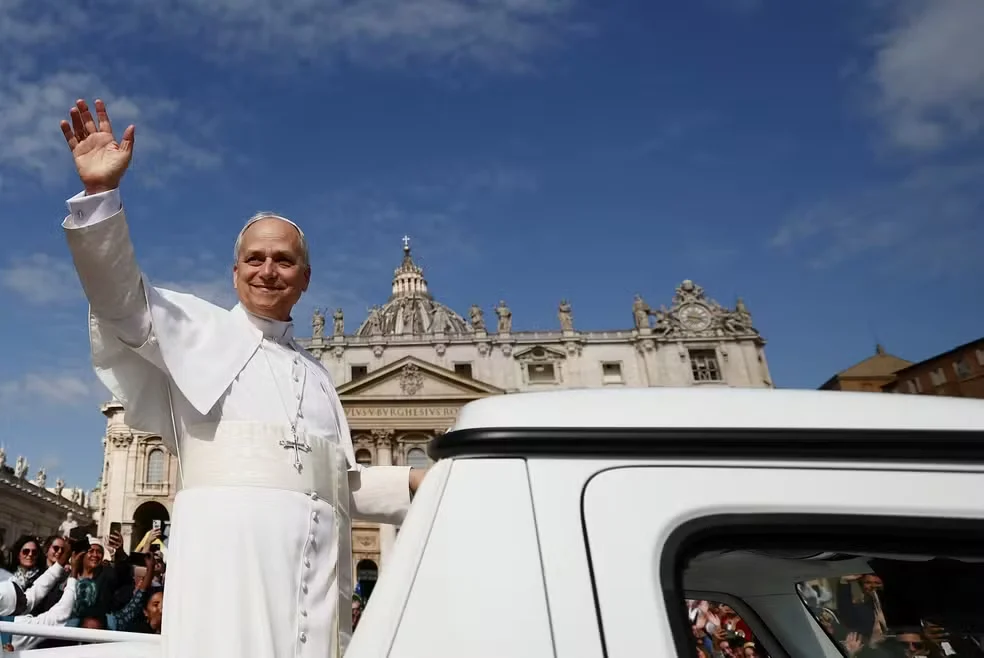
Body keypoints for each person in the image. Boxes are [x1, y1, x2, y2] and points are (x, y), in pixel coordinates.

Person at [57, 99, 427, 658]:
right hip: (226, 596)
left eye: (283, 260)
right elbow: (120, 301)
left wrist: (412, 482)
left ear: (305, 277)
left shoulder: (320, 378)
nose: (267, 270)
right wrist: (100, 196)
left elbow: (329, 484)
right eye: (255, 259)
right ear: (235, 273)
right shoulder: (197, 331)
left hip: (317, 603)